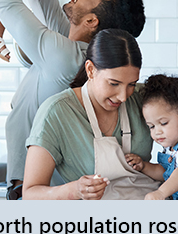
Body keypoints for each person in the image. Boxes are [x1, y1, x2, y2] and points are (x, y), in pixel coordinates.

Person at [0, 0, 146, 199]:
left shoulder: (65, 57)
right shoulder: (71, 43)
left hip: (44, 192)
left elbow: (5, 2)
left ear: (91, 21)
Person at [23, 29, 160, 200]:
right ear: (90, 70)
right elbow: (30, 195)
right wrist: (75, 190)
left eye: (131, 84)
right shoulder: (56, 112)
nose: (123, 96)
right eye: (114, 83)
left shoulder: (144, 98)